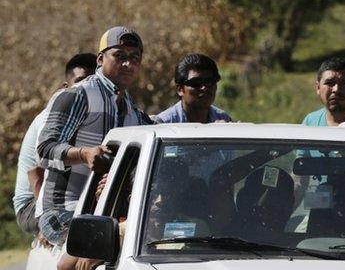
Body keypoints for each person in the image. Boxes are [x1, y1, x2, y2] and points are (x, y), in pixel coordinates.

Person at [36, 26, 152, 246]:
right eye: (119, 56)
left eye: (134, 58)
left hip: (103, 212)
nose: (128, 64)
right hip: (63, 211)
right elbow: (44, 149)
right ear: (100, 59)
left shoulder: (133, 112)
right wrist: (83, 154)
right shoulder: (78, 95)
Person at [12, 53, 97, 239]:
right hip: (31, 205)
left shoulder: (94, 112)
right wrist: (45, 220)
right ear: (66, 87)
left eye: (93, 81)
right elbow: (35, 173)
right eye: (81, 80)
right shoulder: (52, 115)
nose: (86, 86)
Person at [154, 53, 231, 124]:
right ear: (180, 89)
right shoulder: (164, 124)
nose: (204, 88)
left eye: (210, 82)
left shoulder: (224, 121)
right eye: (196, 83)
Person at [301, 58, 345, 127]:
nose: (336, 89)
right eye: (329, 83)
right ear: (318, 88)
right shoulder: (310, 122)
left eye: (344, 84)